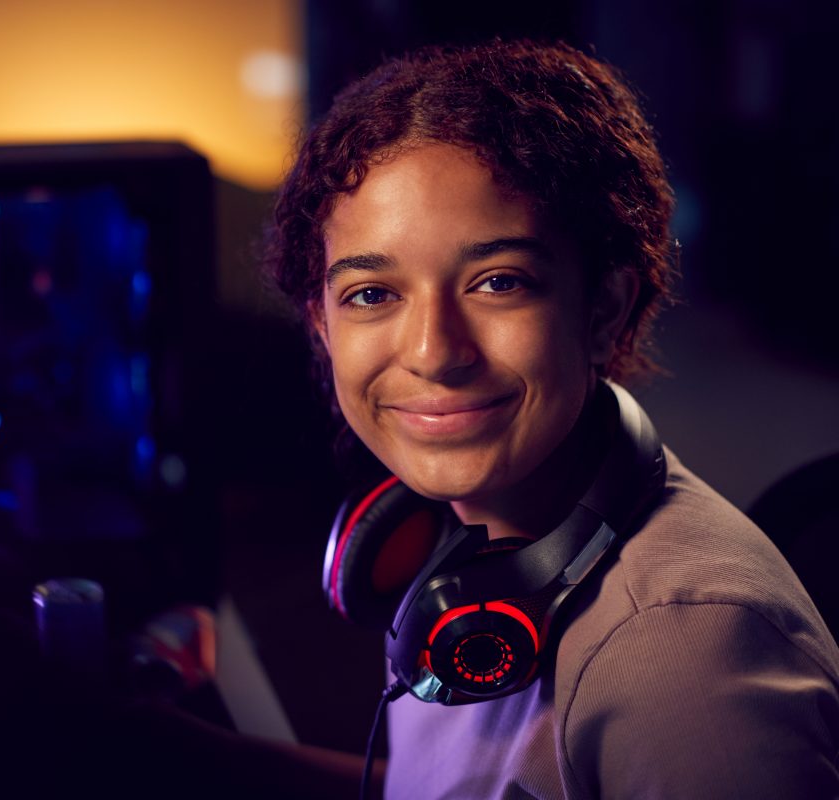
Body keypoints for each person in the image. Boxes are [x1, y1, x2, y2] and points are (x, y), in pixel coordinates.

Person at [264, 39, 839, 798]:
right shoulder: (459, 549)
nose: (435, 352)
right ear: (323, 326)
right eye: (373, 293)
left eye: (499, 282)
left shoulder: (684, 658)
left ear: (604, 309)